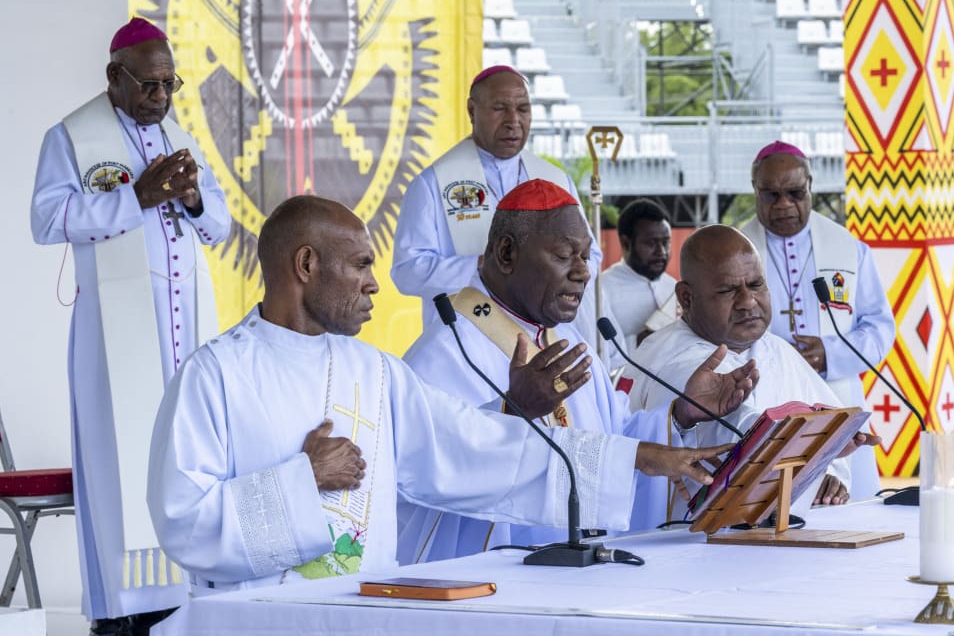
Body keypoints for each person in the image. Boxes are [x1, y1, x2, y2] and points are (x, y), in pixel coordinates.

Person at [146, 195, 740, 594]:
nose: (377, 283)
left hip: (362, 610)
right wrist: (304, 480)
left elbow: (468, 444)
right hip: (258, 620)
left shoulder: (373, 371)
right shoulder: (216, 374)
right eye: (360, 265)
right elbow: (183, 521)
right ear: (306, 264)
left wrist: (637, 455)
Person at [397, 180, 758, 561]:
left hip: (582, 570)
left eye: (586, 256)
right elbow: (434, 471)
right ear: (506, 253)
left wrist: (682, 414)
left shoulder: (563, 338)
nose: (583, 272)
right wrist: (511, 411)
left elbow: (616, 433)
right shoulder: (445, 354)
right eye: (565, 255)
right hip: (495, 583)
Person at [30, 18, 230, 635]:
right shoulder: (70, 138)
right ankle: (122, 617)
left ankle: (184, 602)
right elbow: (46, 219)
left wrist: (194, 200)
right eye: (148, 85)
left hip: (183, 336)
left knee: (187, 460)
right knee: (117, 471)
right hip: (114, 345)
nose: (161, 98)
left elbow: (218, 228)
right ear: (114, 77)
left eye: (170, 85)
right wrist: (134, 198)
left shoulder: (177, 135)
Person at [627, 225, 875, 524]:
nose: (748, 301)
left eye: (756, 285)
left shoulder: (775, 348)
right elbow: (739, 433)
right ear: (687, 298)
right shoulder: (678, 359)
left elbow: (823, 423)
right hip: (691, 544)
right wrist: (808, 459)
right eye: (728, 290)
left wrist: (826, 466)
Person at [390, 65, 622, 363]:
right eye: (500, 108)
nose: (514, 121)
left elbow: (592, 257)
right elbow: (407, 271)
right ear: (472, 110)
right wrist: (483, 267)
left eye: (523, 109)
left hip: (544, 339)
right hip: (468, 346)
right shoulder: (433, 183)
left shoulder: (554, 180)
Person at [739, 141, 895, 499]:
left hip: (837, 396)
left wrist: (831, 352)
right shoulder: (735, 248)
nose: (783, 205)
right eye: (771, 195)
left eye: (795, 193)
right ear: (755, 192)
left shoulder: (847, 247)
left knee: (849, 517)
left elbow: (879, 325)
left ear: (810, 187)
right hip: (762, 402)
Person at [600, 199, 678, 356]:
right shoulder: (601, 290)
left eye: (666, 242)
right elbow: (595, 351)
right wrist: (637, 342)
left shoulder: (674, 287)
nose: (661, 251)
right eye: (651, 243)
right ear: (626, 243)